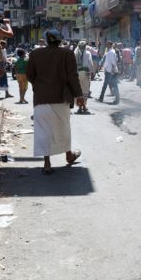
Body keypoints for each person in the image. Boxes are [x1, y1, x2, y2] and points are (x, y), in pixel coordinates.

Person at [26, 29, 83, 174]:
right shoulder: (67, 53)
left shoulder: (35, 54)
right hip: (61, 98)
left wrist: (39, 85)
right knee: (63, 128)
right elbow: (73, 76)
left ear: (45, 40)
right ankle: (69, 155)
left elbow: (30, 75)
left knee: (43, 130)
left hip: (41, 98)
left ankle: (47, 163)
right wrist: (79, 95)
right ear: (60, 40)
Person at [74, 40, 94, 113]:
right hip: (85, 73)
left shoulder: (75, 53)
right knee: (85, 91)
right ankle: (84, 107)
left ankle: (79, 107)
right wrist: (91, 72)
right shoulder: (88, 53)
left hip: (77, 74)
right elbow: (90, 63)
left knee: (79, 91)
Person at [98, 40, 120, 104]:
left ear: (110, 45)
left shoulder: (111, 52)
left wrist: (113, 71)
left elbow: (113, 62)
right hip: (110, 71)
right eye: (106, 44)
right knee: (112, 85)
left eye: (107, 44)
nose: (106, 46)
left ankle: (101, 98)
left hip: (110, 72)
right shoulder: (110, 52)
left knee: (111, 85)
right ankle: (102, 98)